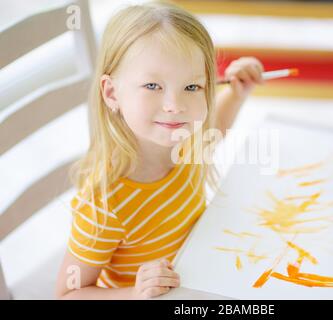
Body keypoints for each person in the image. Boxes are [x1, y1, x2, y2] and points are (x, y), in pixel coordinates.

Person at [55, 1, 264, 299]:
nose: (175, 106)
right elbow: (66, 294)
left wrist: (238, 93)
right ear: (112, 93)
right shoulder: (104, 204)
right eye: (153, 85)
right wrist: (134, 293)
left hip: (200, 274)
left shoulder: (185, 139)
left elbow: (215, 130)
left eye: (192, 87)